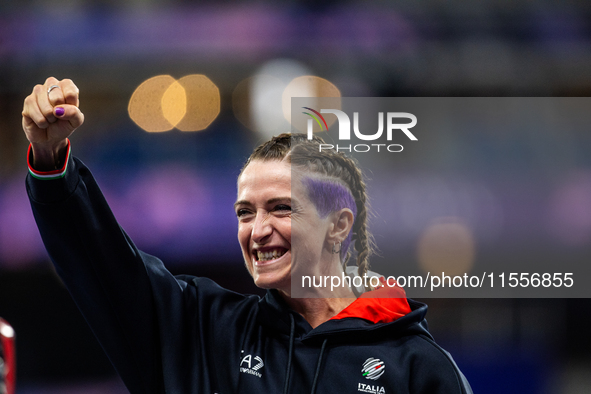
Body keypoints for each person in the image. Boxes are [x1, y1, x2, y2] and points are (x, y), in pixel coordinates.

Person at [23, 77, 473, 394]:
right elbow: (103, 263)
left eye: (280, 208)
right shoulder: (203, 332)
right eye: (245, 212)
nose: (258, 231)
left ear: (338, 225)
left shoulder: (417, 368)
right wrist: (50, 160)